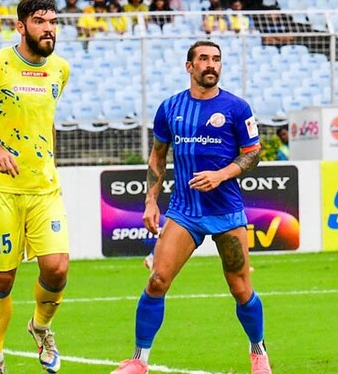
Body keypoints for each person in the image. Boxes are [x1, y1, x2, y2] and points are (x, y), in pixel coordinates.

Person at [110, 41, 270, 374]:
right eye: (204, 59)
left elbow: (253, 152)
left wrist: (221, 175)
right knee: (157, 281)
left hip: (226, 212)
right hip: (184, 212)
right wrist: (151, 200)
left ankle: (258, 353)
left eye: (216, 60)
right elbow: (157, 155)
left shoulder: (237, 108)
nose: (211, 65)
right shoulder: (170, 108)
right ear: (189, 66)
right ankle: (139, 361)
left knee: (241, 289)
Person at [0, 0, 71, 374]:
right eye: (40, 21)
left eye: (53, 21)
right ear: (21, 26)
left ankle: (40, 327)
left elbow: (42, 121)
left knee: (56, 269)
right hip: (0, 188)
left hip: (44, 188)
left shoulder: (60, 69)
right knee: (2, 278)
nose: (49, 28)